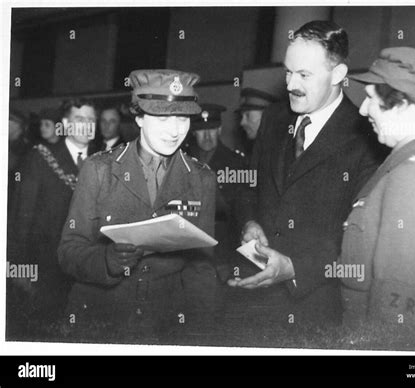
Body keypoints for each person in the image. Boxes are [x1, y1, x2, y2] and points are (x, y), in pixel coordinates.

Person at [228, 20, 388, 344]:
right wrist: (249, 222)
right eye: (288, 72)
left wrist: (294, 267)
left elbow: (356, 237)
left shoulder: (367, 138)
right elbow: (249, 186)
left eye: (304, 75)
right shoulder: (274, 117)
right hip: (251, 306)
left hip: (315, 315)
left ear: (339, 75)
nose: (290, 84)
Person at [58, 70, 218, 344]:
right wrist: (106, 260)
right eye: (163, 117)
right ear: (139, 117)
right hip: (99, 320)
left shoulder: (201, 178)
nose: (175, 130)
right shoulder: (99, 169)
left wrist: (208, 333)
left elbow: (201, 268)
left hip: (165, 325)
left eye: (182, 118)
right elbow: (68, 252)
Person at [338, 47, 415, 352]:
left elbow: (393, 316)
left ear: (403, 102)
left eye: (372, 98)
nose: (363, 109)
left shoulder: (414, 177)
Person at [6, 98, 98, 340]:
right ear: (66, 124)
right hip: (48, 272)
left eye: (91, 120)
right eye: (79, 120)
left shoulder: (103, 162)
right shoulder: (40, 158)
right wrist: (18, 269)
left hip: (90, 274)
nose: (86, 125)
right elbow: (20, 217)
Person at [187, 103, 248, 281]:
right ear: (193, 132)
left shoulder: (236, 163)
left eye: (212, 129)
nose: (207, 136)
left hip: (223, 255)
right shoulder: (182, 162)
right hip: (188, 255)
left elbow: (241, 209)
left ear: (220, 129)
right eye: (201, 130)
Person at [238, 88, 277, 157]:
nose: (242, 122)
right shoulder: (259, 150)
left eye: (248, 115)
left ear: (266, 116)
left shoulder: (277, 153)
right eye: (242, 116)